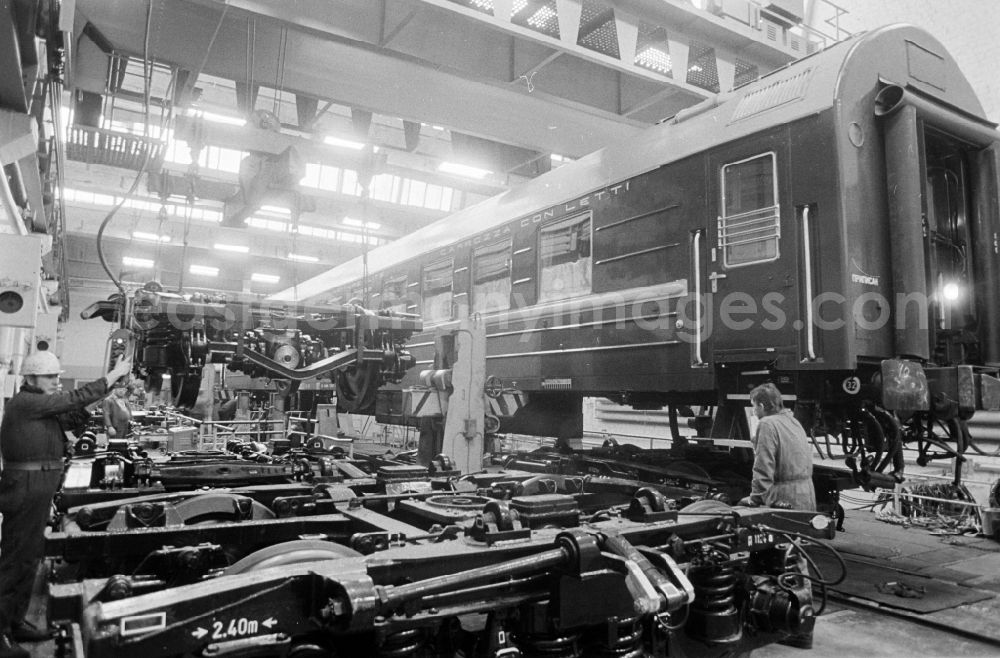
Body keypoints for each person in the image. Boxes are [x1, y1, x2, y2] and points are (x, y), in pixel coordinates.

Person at [0, 351, 132, 657]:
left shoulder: (41, 408)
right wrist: (112, 374)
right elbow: (72, 399)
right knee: (15, 561)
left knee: (29, 558)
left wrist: (105, 394)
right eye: (50, 377)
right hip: (26, 489)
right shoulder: (26, 403)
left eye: (58, 376)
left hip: (37, 488)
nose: (57, 382)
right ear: (30, 378)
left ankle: (15, 621)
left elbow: (72, 415)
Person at [737, 383, 816, 511]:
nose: (754, 411)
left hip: (785, 497)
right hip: (806, 494)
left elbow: (763, 466)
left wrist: (756, 498)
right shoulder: (793, 421)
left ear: (761, 406)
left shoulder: (767, 423)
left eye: (753, 406)